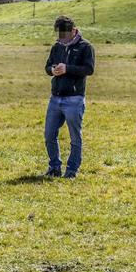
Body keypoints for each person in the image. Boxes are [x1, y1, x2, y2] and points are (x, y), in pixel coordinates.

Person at [43, 15, 95, 179]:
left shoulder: (86, 47)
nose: (62, 39)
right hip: (55, 98)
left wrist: (68, 69)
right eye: (60, 36)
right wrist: (53, 70)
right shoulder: (56, 47)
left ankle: (72, 170)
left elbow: (89, 69)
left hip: (74, 99)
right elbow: (47, 66)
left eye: (65, 36)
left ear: (73, 31)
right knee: (49, 134)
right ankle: (54, 167)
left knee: (74, 137)